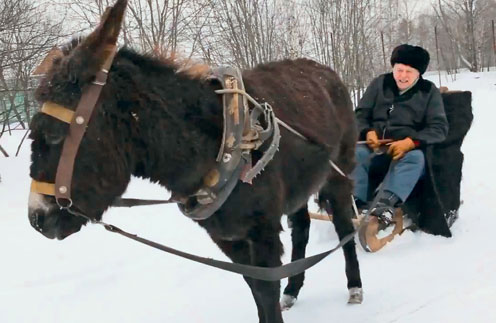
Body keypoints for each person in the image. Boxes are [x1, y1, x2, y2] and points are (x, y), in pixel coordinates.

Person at [352, 44, 449, 224]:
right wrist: (367, 131)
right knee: (354, 154)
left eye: (409, 72)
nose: (403, 76)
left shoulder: (428, 91)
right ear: (393, 68)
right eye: (399, 70)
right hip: (376, 148)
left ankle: (386, 202)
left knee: (416, 159)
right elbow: (360, 114)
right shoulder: (380, 83)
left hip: (407, 150)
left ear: (418, 73)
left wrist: (411, 142)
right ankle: (354, 200)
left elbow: (439, 128)